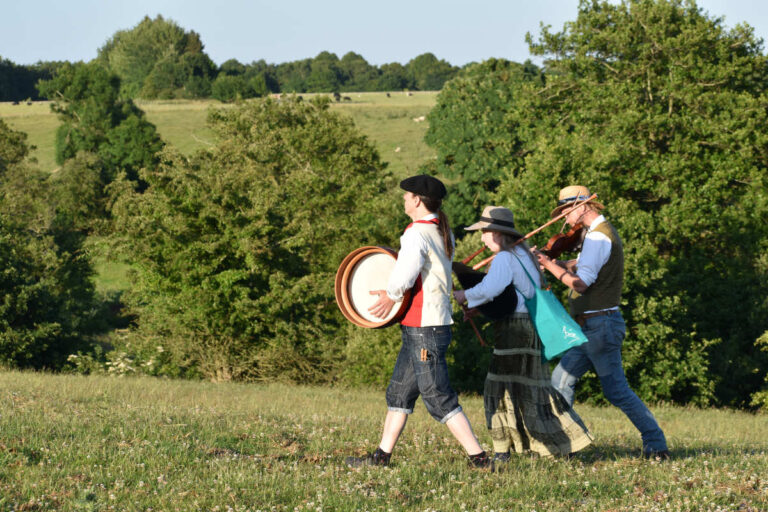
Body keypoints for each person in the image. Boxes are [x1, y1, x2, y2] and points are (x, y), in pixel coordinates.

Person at [345, 175, 491, 469]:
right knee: (399, 392)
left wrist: (390, 295)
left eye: (406, 195)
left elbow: (406, 271)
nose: (403, 199)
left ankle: (480, 459)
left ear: (417, 200)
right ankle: (380, 458)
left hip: (425, 327)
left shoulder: (416, 233)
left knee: (437, 396)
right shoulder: (440, 230)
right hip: (423, 326)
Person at [534, 185, 670, 459]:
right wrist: (554, 260)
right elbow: (585, 265)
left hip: (600, 327)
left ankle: (656, 445)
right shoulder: (594, 236)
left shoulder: (598, 238)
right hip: (587, 329)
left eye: (566, 211)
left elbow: (582, 284)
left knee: (616, 391)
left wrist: (549, 266)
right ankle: (568, 444)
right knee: (560, 382)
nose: (564, 218)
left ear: (582, 206)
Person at [453, 206, 593, 461]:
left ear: (497, 233)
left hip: (513, 331)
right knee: (531, 388)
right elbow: (516, 294)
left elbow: (491, 288)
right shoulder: (523, 255)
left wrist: (465, 296)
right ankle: (562, 443)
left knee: (499, 388)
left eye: (485, 232)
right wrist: (478, 306)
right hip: (528, 326)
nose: (482, 238)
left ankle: (503, 452)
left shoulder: (506, 258)